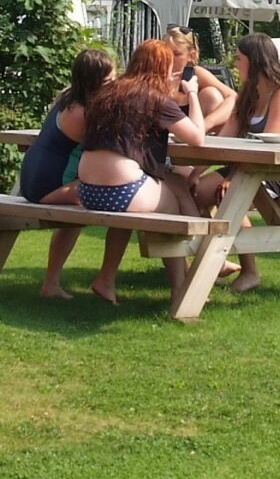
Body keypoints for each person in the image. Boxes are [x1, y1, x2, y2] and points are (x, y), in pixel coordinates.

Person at [74, 39, 209, 303]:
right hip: (123, 190)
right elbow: (197, 138)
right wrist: (192, 93)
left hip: (87, 191)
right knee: (171, 209)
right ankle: (180, 290)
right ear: (162, 68)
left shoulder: (108, 93)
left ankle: (106, 279)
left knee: (135, 208)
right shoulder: (156, 99)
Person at [18, 47, 127, 300]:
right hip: (48, 185)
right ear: (92, 82)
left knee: (87, 208)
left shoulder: (68, 98)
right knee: (121, 196)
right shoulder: (84, 114)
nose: (115, 85)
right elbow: (112, 146)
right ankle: (104, 279)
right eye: (109, 81)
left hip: (31, 178)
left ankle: (52, 284)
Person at [219, 32, 280, 293]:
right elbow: (224, 138)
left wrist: (231, 178)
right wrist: (195, 171)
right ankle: (214, 260)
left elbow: (268, 148)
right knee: (195, 190)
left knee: (230, 197)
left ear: (254, 61)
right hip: (250, 168)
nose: (235, 64)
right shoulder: (249, 94)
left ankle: (249, 272)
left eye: (239, 58)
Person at [166, 27, 235, 132]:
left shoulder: (196, 74)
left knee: (211, 95)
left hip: (197, 133)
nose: (169, 58)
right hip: (163, 134)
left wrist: (206, 124)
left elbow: (234, 98)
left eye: (176, 54)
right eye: (165, 52)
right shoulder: (153, 73)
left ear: (191, 56)